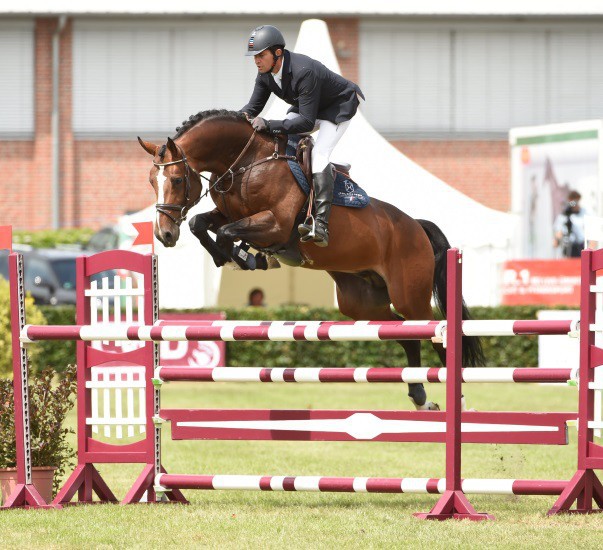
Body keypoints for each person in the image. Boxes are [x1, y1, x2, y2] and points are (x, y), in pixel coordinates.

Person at [239, 25, 365, 247]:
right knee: (283, 139)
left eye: (261, 55)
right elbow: (253, 107)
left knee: (319, 153)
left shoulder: (303, 70)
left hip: (337, 106)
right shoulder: (265, 75)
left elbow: (306, 122)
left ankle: (322, 224)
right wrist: (231, 121)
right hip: (311, 107)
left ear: (277, 53)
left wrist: (268, 124)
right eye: (254, 57)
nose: (257, 61)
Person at [553, 190, 586, 258]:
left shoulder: (584, 214)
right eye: (572, 202)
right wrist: (557, 239)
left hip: (581, 247)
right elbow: (558, 233)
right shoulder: (563, 216)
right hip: (567, 248)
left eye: (576, 202)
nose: (574, 204)